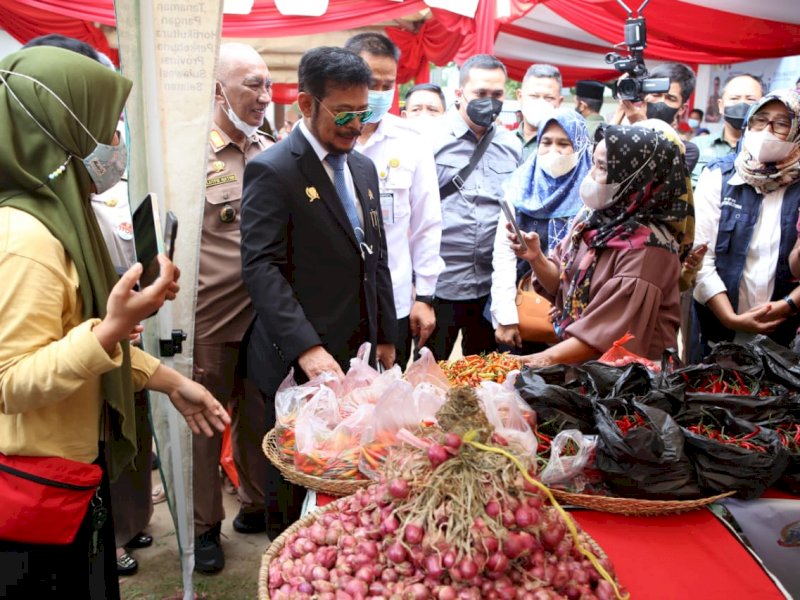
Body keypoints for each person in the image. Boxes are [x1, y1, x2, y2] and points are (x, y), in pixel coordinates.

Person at [0, 46, 228, 599]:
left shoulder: (64, 216)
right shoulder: (27, 239)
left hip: (73, 464)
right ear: (62, 133)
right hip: (36, 484)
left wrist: (169, 379)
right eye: (107, 129)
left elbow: (76, 336)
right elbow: (11, 382)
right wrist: (111, 328)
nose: (117, 147)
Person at [240, 47, 396, 536]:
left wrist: (387, 334)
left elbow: (376, 257)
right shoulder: (274, 169)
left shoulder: (365, 168)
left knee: (351, 470)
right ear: (306, 104)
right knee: (295, 476)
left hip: (359, 351)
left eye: (364, 113)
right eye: (344, 114)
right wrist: (307, 349)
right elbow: (261, 267)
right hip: (299, 357)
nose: (356, 126)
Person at [192, 42, 274, 574]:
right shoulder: (189, 153)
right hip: (210, 315)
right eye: (253, 85)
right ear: (218, 87)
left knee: (258, 415)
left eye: (268, 84)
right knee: (205, 424)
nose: (264, 96)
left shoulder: (269, 149)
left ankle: (254, 503)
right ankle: (203, 527)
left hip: (265, 313)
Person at [512, 124, 692, 366]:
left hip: (627, 385)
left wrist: (538, 360)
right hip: (585, 372)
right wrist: (536, 258)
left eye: (603, 168)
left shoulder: (649, 249)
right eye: (593, 163)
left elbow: (608, 335)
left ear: (637, 179)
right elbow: (561, 285)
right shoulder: (592, 223)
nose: (591, 175)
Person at [344, 33, 443, 368]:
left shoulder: (411, 141)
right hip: (335, 305)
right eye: (372, 82)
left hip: (393, 304)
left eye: (388, 84)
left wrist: (425, 296)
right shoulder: (325, 138)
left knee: (385, 400)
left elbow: (427, 223)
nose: (380, 93)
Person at [428, 54, 521, 361]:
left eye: (496, 95)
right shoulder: (430, 140)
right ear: (460, 93)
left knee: (482, 373)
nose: (489, 101)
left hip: (488, 286)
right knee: (429, 373)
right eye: (480, 94)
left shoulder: (511, 145)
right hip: (440, 284)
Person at [693, 89, 800, 356]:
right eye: (760, 119)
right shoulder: (719, 175)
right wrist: (730, 318)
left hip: (784, 335)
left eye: (782, 123)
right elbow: (700, 258)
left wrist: (789, 305)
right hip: (717, 329)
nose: (767, 130)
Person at [491, 108, 592, 350]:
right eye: (546, 142)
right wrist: (506, 317)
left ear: (579, 146)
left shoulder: (592, 193)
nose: (552, 151)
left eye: (563, 143)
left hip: (578, 318)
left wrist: (567, 301)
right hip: (522, 310)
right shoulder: (520, 187)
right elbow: (503, 255)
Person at [615, 62, 700, 173]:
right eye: (656, 94)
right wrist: (621, 107)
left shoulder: (687, 150)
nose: (661, 102)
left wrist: (641, 127)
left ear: (682, 109)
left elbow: (653, 179)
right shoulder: (621, 134)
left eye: (671, 98)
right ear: (644, 95)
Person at [691, 73, 764, 186]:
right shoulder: (698, 145)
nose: (742, 104)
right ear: (720, 106)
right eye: (734, 98)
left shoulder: (767, 151)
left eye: (750, 99)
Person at [515, 64, 563, 161]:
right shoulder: (501, 141)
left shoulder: (566, 147)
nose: (541, 102)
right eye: (534, 96)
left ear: (559, 102)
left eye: (548, 98)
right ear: (520, 96)